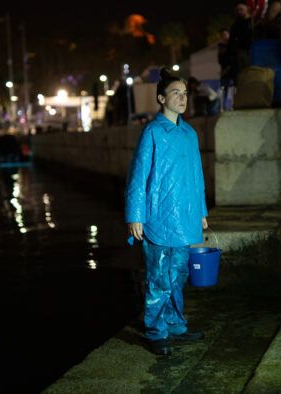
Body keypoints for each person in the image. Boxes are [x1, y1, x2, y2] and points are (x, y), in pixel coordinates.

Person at [125, 68, 208, 356]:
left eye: (185, 93)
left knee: (179, 274)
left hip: (185, 216)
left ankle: (175, 325)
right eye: (176, 93)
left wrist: (201, 211)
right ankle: (155, 330)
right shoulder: (152, 132)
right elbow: (138, 175)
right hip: (158, 215)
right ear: (161, 98)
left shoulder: (189, 133)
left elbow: (197, 175)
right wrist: (135, 215)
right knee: (159, 277)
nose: (183, 98)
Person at [228, 1, 256, 84]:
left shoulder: (254, 21)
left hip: (254, 50)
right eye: (237, 10)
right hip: (242, 52)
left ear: (247, 8)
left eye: (241, 9)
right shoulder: (236, 25)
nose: (239, 11)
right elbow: (231, 40)